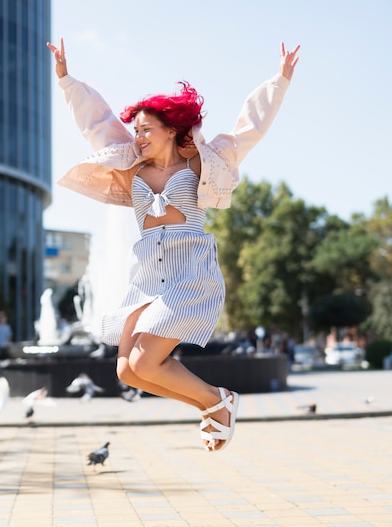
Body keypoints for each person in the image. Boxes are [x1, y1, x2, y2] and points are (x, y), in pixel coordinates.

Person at [47, 38, 300, 451]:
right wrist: (66, 80)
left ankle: (217, 401)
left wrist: (279, 82)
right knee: (128, 371)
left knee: (146, 361)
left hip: (189, 269)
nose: (139, 135)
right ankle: (213, 405)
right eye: (137, 129)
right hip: (148, 272)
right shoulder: (131, 165)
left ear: (171, 130)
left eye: (147, 129)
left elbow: (247, 129)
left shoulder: (201, 162)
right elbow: (98, 122)